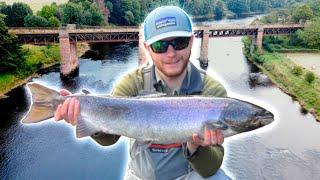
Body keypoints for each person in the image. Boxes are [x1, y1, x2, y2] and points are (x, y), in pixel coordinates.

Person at [54, 6, 231, 180]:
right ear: (147, 48)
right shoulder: (131, 84)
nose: (171, 53)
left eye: (179, 42)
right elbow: (110, 139)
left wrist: (196, 146)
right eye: (160, 46)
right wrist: (86, 117)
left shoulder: (212, 93)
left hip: (188, 176)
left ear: (192, 41)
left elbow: (209, 170)